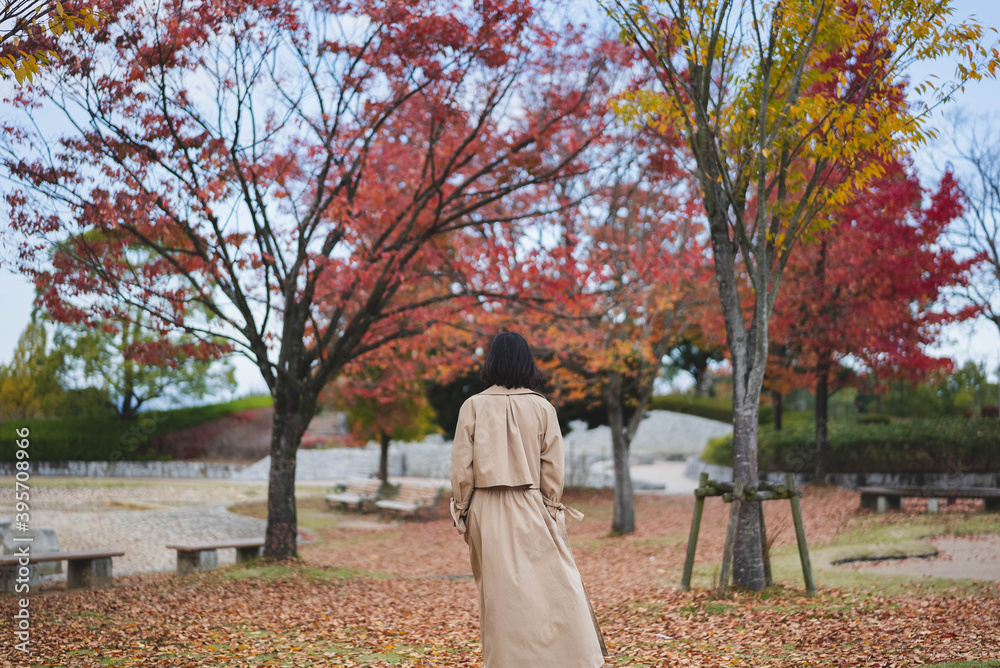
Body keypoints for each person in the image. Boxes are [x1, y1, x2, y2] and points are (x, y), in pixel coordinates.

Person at [450, 331, 608, 667]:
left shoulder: (473, 406)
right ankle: (565, 655)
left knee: (498, 596)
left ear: (492, 361)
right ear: (527, 362)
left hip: (485, 508)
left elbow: (462, 468)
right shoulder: (542, 407)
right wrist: (551, 505)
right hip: (532, 504)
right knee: (549, 586)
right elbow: (553, 466)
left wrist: (462, 511)